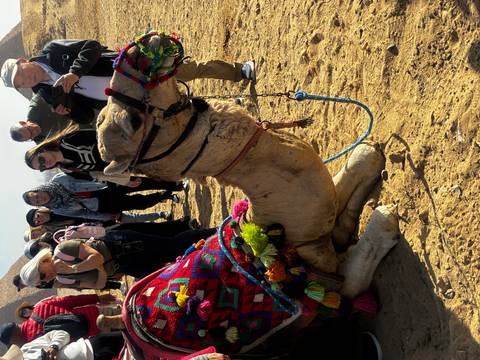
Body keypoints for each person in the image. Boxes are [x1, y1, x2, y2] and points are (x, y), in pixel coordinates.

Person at [1, 39, 256, 124]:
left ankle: (239, 72)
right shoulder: (46, 96)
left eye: (21, 74)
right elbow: (85, 116)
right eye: (21, 83)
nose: (26, 80)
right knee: (175, 112)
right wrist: (69, 113)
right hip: (124, 101)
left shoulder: (53, 51)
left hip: (129, 71)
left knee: (186, 71)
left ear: (24, 60)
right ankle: (234, 113)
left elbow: (92, 46)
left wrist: (74, 72)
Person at [19, 222, 216, 289]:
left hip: (123, 245)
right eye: (42, 282)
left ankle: (214, 233)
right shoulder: (64, 279)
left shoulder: (63, 251)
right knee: (167, 271)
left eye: (42, 275)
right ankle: (211, 254)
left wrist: (76, 268)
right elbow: (99, 284)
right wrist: (95, 267)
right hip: (124, 265)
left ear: (42, 262)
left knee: (171, 246)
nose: (46, 279)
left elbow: (96, 259)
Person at [22, 175, 176, 223]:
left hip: (103, 186)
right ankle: (166, 195)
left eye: (36, 196)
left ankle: (173, 184)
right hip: (100, 204)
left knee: (139, 183)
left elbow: (84, 174)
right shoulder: (57, 208)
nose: (39, 199)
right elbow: (83, 214)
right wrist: (107, 216)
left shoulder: (58, 180)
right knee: (140, 203)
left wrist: (105, 175)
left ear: (37, 190)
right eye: (36, 202)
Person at [0, 293, 117, 347]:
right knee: (132, 310)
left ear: (14, 338)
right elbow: (70, 300)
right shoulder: (40, 307)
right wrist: (96, 298)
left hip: (95, 338)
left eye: (12, 344)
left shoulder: (35, 345)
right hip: (96, 313)